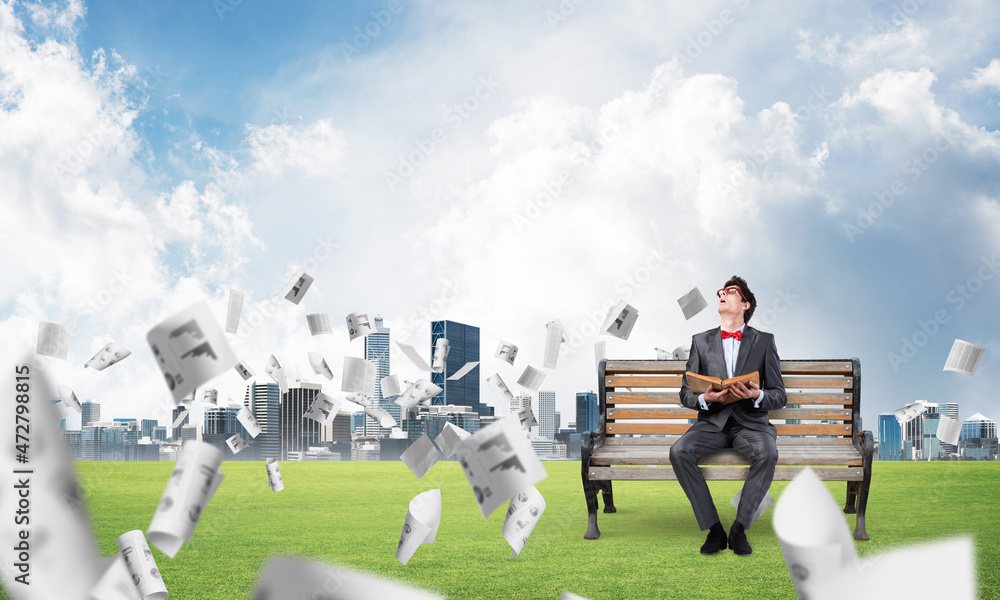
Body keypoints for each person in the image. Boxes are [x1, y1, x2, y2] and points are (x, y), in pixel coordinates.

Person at [670, 275, 786, 556]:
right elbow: (685, 394)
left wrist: (756, 395)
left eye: (730, 291)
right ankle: (714, 529)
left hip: (751, 425)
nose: (722, 294)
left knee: (768, 453)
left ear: (745, 304)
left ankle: (739, 529)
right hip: (712, 423)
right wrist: (705, 398)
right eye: (720, 291)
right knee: (679, 451)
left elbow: (779, 395)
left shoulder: (764, 341)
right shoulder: (700, 341)